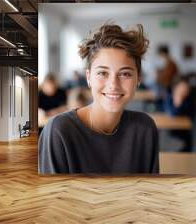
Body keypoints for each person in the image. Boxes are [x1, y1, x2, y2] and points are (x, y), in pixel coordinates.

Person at [39, 23, 159, 174]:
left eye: (125, 74)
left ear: (138, 78)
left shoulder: (144, 128)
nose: (113, 85)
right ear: (88, 77)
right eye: (102, 73)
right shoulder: (59, 131)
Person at [164, 76, 194, 152]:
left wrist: (179, 101)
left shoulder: (189, 100)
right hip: (170, 131)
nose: (185, 90)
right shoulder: (169, 97)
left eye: (187, 88)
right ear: (175, 88)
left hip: (185, 132)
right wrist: (177, 101)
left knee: (186, 149)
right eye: (182, 88)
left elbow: (189, 116)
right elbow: (172, 114)